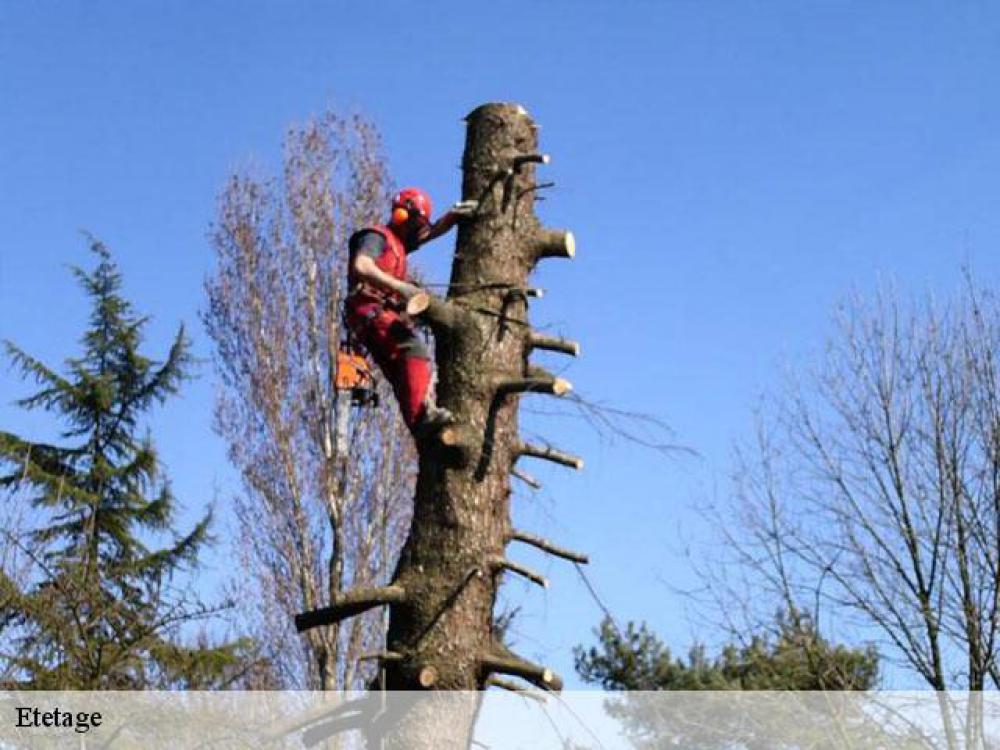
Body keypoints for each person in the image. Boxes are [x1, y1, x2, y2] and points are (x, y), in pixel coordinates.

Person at [344, 187, 476, 434]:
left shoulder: (399, 243)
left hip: (374, 316)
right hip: (370, 311)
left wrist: (452, 217)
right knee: (413, 349)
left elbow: (429, 233)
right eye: (415, 223)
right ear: (402, 215)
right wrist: (399, 287)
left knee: (401, 375)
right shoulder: (376, 236)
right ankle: (424, 415)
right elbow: (362, 265)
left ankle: (419, 429)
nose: (417, 231)